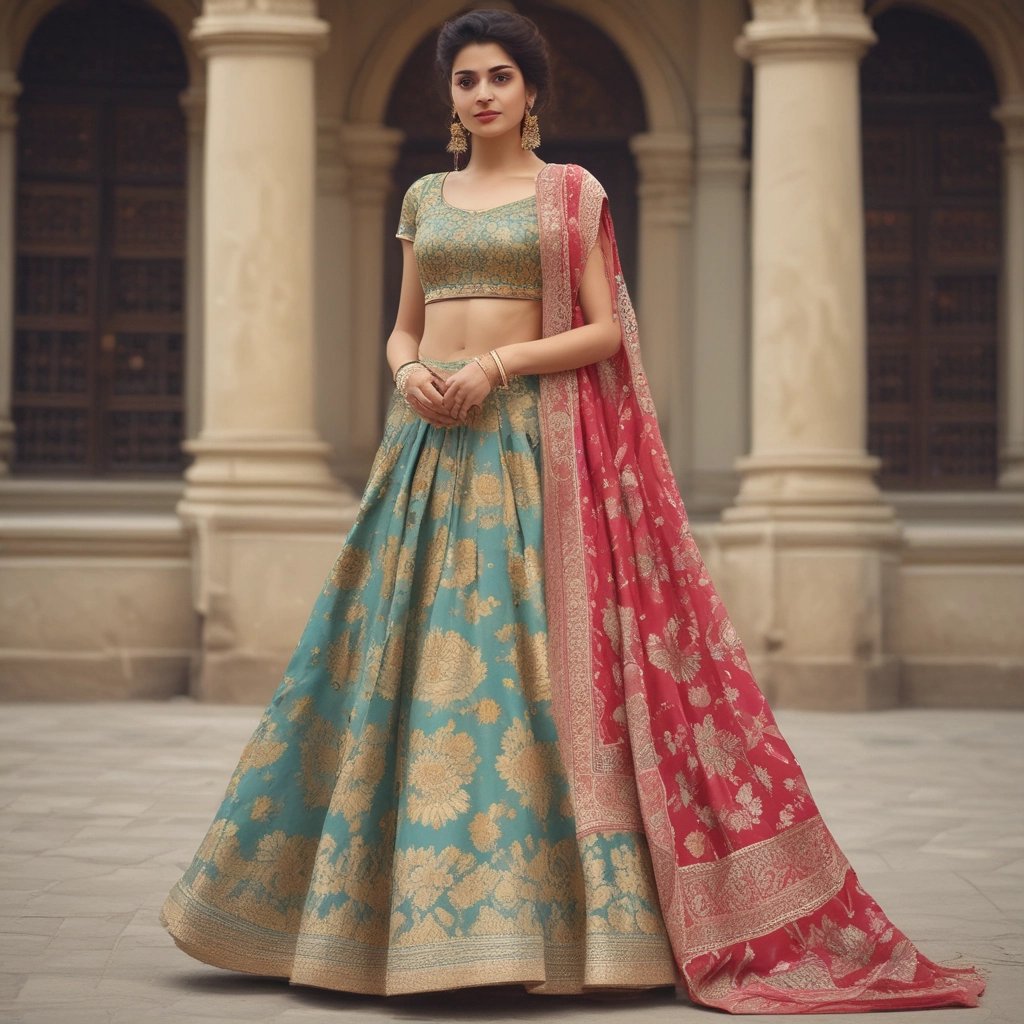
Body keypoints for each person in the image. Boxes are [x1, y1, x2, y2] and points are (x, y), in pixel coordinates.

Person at [161, 9, 986, 1013]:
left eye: (500, 76)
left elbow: (602, 329)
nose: (482, 94)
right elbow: (402, 324)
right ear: (451, 99)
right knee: (397, 657)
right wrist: (413, 372)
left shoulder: (571, 194)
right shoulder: (426, 195)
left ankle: (554, 924)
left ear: (531, 92)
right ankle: (379, 918)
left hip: (528, 456)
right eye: (465, 80)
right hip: (428, 452)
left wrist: (497, 365)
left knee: (523, 666)